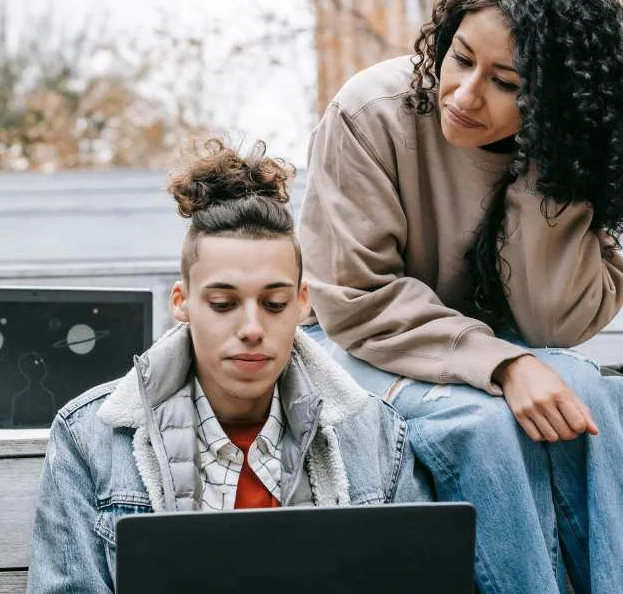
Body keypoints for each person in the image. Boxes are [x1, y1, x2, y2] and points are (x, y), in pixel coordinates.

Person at [299, 0, 623, 594]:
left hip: (499, 348)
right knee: (487, 429)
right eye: (462, 58)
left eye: (508, 83)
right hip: (360, 344)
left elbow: (553, 323)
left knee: (594, 396)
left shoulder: (565, 148)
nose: (466, 96)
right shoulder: (371, 112)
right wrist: (502, 364)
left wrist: (544, 172)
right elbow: (357, 300)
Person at [26, 138, 428, 594]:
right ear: (183, 304)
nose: (252, 327)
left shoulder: (376, 434)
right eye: (223, 303)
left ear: (301, 305)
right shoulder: (90, 437)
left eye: (274, 304)